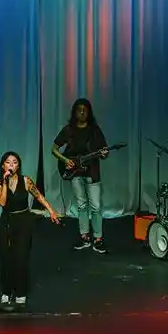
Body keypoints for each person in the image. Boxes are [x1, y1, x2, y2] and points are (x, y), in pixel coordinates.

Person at [0, 151, 60, 312]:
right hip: (7, 221)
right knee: (6, 258)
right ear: (3, 166)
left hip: (23, 220)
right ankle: (6, 291)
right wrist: (5, 182)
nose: (11, 165)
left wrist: (51, 210)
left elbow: (38, 196)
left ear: (18, 165)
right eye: (8, 162)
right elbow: (2, 202)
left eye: (15, 162)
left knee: (21, 257)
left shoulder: (26, 181)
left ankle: (21, 292)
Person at [51, 98, 109, 253]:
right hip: (75, 173)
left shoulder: (95, 130)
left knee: (96, 206)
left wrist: (104, 153)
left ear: (89, 112)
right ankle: (84, 237)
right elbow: (54, 149)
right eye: (79, 109)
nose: (82, 112)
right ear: (74, 112)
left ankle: (98, 238)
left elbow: (104, 151)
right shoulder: (69, 130)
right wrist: (65, 160)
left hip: (92, 173)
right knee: (82, 205)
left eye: (85, 110)